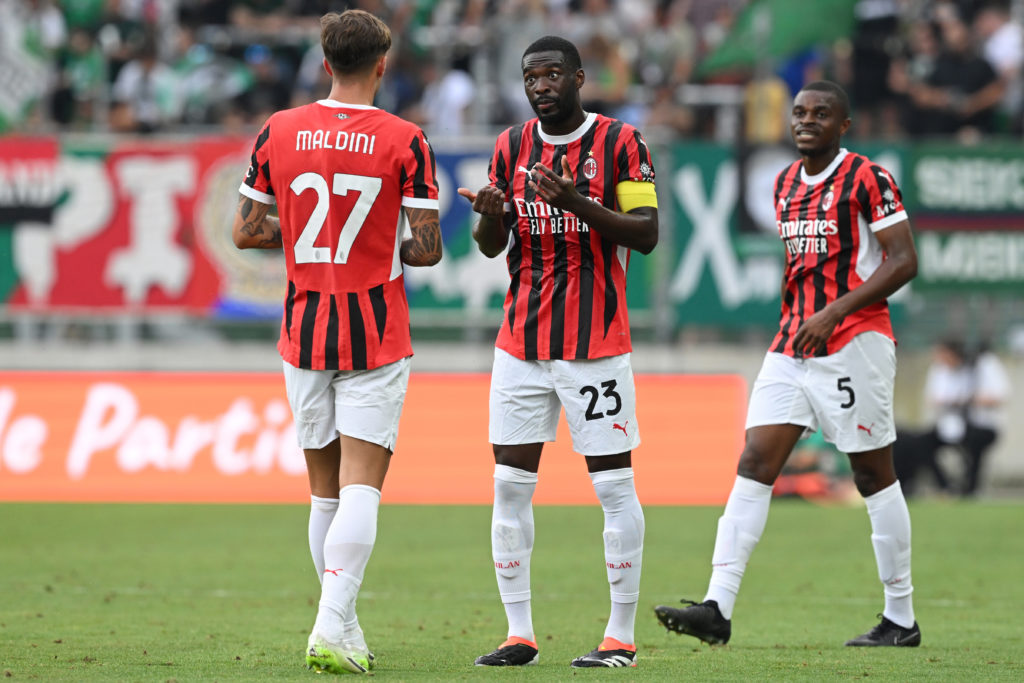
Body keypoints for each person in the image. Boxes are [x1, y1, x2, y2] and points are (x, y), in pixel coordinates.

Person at [655, 80, 922, 648]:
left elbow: (903, 261)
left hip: (854, 341)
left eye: (821, 113)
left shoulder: (866, 178)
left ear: (843, 125)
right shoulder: (781, 183)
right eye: (799, 113)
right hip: (792, 343)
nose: (806, 121)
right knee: (754, 461)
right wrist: (807, 319)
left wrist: (834, 312)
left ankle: (901, 617)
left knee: (873, 473)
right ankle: (716, 609)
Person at [232, 9, 442, 675]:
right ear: (384, 65)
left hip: (303, 329)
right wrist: (381, 234)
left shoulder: (279, 130)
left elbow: (246, 230)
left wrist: (299, 229)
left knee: (324, 491)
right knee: (361, 490)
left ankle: (342, 627)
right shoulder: (406, 140)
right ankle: (329, 625)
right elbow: (427, 250)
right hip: (375, 331)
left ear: (326, 63)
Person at [457, 35, 658, 668]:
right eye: (530, 77)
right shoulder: (509, 148)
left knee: (614, 489)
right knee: (510, 488)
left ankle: (619, 637)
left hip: (595, 345)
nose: (540, 85)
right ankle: (520, 634)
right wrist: (491, 213)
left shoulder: (622, 144)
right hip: (520, 343)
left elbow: (646, 235)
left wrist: (575, 200)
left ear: (578, 78)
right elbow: (491, 245)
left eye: (551, 74)